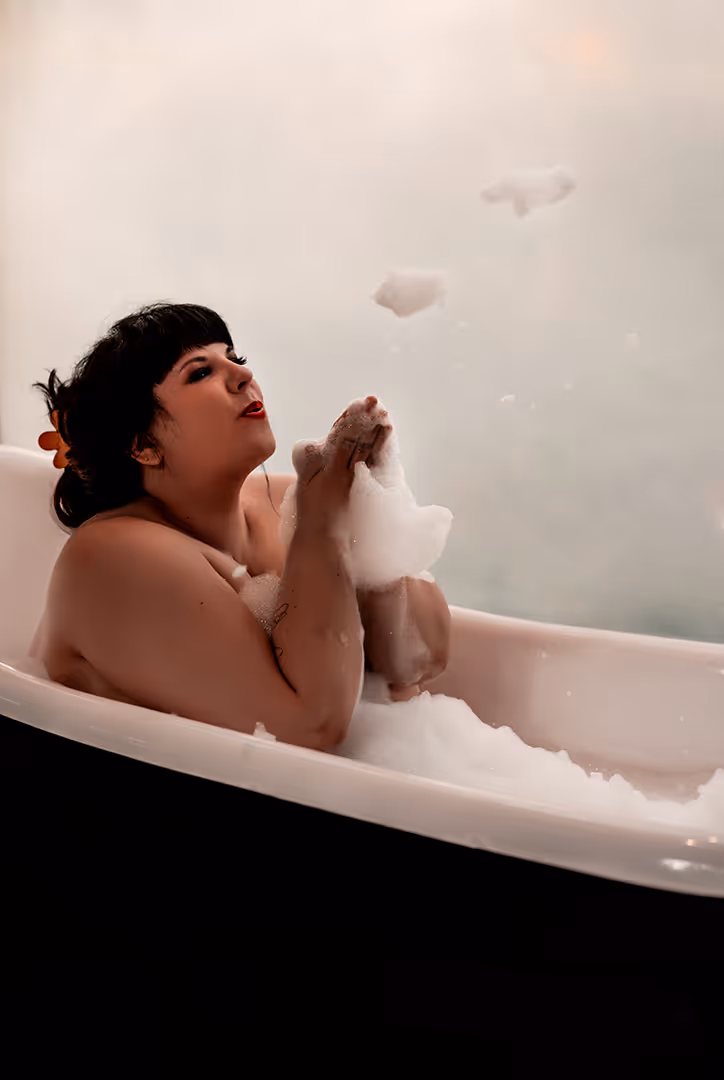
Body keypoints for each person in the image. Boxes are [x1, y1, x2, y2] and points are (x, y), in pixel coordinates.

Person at [30, 303, 451, 749]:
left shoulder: (283, 507)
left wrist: (376, 499)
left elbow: (423, 657)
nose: (241, 375)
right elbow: (310, 728)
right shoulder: (112, 555)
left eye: (235, 357)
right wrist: (322, 518)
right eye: (199, 373)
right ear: (143, 445)